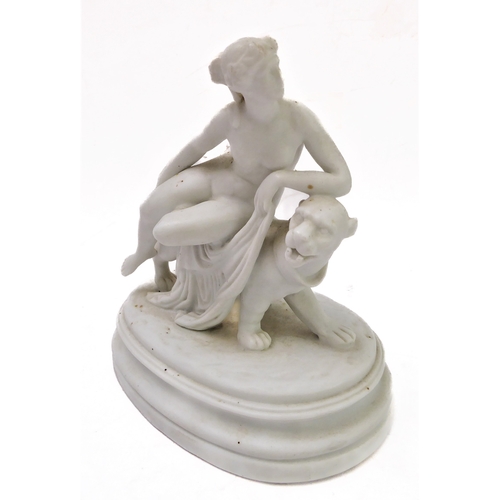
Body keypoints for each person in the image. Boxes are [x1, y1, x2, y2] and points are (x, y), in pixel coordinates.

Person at [122, 36, 352, 303]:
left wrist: (280, 178)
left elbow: (342, 180)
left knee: (164, 231)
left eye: (276, 67)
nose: (277, 77)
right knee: (149, 208)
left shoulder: (298, 118)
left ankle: (164, 252)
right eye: (265, 73)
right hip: (218, 176)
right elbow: (195, 148)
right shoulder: (232, 116)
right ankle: (145, 255)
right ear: (243, 85)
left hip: (245, 202)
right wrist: (163, 183)